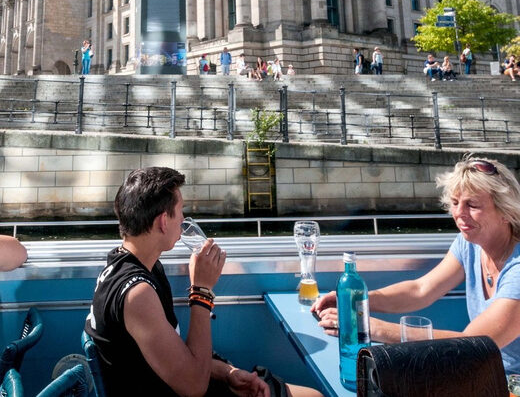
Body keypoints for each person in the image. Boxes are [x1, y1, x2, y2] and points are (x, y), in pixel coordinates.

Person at [86, 167, 321, 397]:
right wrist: (201, 291)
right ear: (163, 222)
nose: (184, 220)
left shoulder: (127, 266)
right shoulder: (138, 294)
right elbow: (194, 387)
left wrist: (227, 372)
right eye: (180, 212)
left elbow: (174, 357)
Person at [313, 156, 520, 377]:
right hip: (485, 373)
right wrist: (358, 302)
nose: (459, 213)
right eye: (455, 202)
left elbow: (473, 345)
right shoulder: (470, 244)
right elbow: (421, 290)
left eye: (472, 205)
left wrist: (373, 328)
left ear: (505, 212)